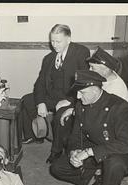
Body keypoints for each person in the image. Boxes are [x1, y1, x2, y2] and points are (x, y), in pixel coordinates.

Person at [50, 70, 128, 185]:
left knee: (114, 164)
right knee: (56, 168)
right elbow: (76, 135)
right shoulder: (82, 105)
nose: (77, 97)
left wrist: (89, 152)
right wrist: (74, 152)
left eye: (82, 93)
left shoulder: (119, 107)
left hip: (120, 151)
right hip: (96, 148)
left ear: (96, 89)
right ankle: (96, 174)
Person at [59, 47, 128, 185]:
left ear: (105, 68)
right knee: (71, 134)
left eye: (93, 67)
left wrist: (88, 151)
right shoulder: (102, 79)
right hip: (95, 122)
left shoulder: (117, 89)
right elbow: (89, 101)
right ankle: (88, 167)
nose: (90, 70)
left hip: (110, 133)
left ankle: (102, 170)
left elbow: (106, 116)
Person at [20, 24, 90, 163]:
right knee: (26, 100)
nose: (54, 45)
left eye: (58, 41)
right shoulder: (48, 58)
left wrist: (70, 101)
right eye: (52, 41)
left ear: (68, 39)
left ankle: (56, 151)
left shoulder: (81, 53)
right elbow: (39, 84)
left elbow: (85, 83)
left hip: (70, 99)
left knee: (60, 116)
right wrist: (41, 103)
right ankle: (34, 135)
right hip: (52, 96)